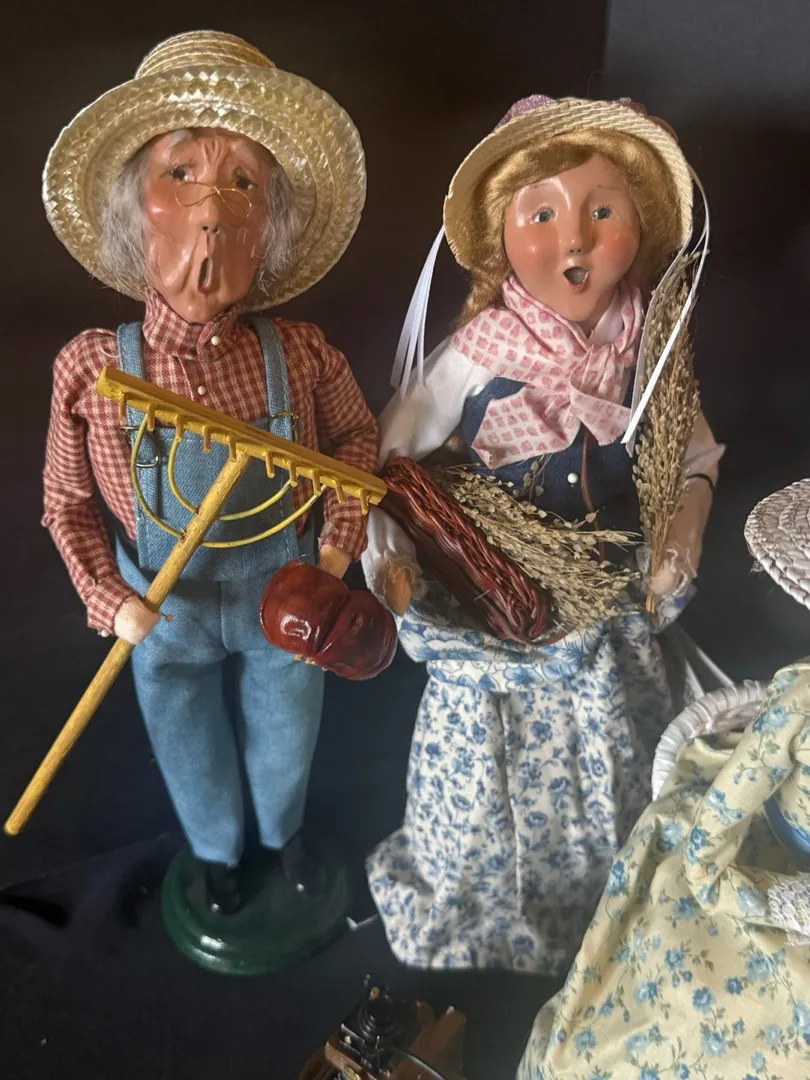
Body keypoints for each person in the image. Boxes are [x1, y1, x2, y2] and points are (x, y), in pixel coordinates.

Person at [361, 94, 723, 973]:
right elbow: (380, 460)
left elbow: (696, 452)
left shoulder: (648, 348)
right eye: (543, 215)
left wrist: (682, 529)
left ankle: (602, 904)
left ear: (640, 225)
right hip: (497, 602)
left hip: (606, 603)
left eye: (601, 212)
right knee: (488, 774)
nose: (574, 242)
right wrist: (391, 557)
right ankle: (481, 906)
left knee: (612, 757)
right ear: (502, 235)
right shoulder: (482, 352)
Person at [42, 31, 378, 916]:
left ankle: (283, 833)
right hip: (164, 606)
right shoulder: (91, 368)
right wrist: (109, 598)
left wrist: (335, 555)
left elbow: (356, 441)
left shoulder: (300, 352)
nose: (212, 212)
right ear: (135, 208)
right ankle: (218, 853)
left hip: (287, 592)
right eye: (180, 174)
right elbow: (65, 501)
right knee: (183, 736)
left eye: (243, 184)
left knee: (288, 728)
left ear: (270, 227)